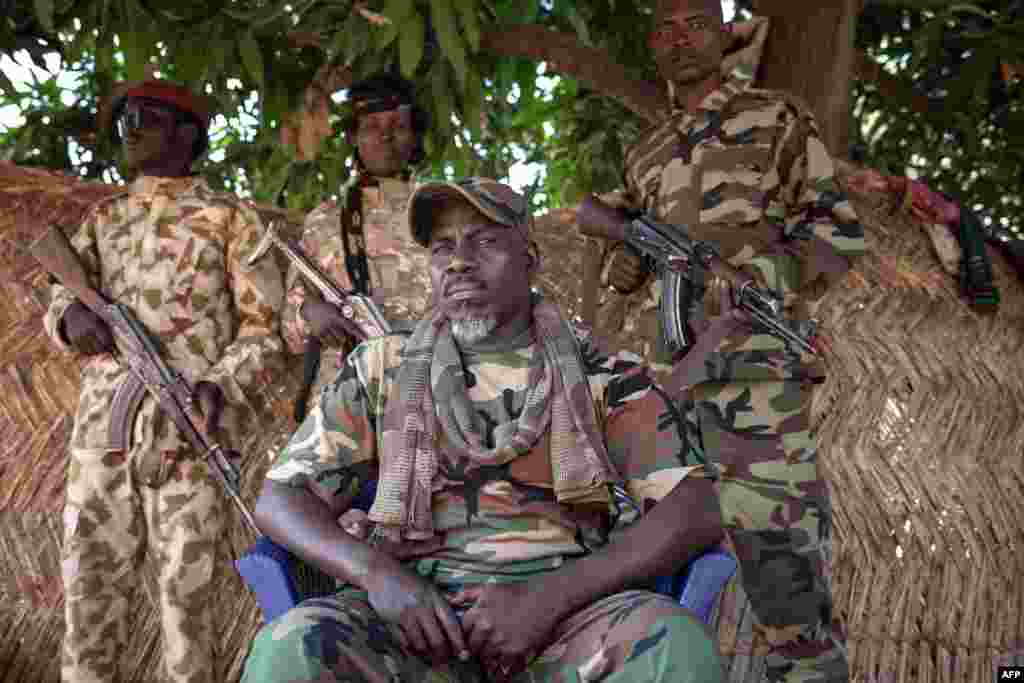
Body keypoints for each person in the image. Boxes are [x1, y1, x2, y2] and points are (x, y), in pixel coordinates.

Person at [240, 178, 735, 683]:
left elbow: (693, 508)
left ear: (530, 258)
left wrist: (550, 597)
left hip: (567, 624)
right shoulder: (382, 369)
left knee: (675, 647)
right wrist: (377, 574)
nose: (459, 261)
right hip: (413, 628)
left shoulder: (600, 370)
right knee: (290, 650)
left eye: (485, 240)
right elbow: (281, 498)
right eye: (442, 247)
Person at [594, 0, 869, 680]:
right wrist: (627, 257)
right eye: (664, 29)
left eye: (696, 24)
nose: (680, 40)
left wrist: (751, 279)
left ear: (725, 34)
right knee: (662, 582)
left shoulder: (776, 120)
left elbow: (836, 239)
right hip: (674, 391)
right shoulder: (647, 152)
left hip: (758, 388)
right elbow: (625, 257)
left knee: (787, 587)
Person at [43, 79, 284, 682]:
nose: (130, 128)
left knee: (186, 608)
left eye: (146, 117)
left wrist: (222, 384)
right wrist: (69, 318)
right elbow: (57, 294)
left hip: (189, 437)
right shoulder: (104, 220)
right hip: (104, 436)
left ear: (186, 133)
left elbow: (266, 328)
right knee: (90, 599)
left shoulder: (230, 220)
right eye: (124, 117)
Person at [282, 73, 433, 422]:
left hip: (426, 400)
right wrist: (309, 313)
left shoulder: (441, 212)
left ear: (415, 137)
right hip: (341, 409)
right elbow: (289, 325)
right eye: (371, 126)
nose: (385, 136)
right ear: (354, 137)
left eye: (398, 125)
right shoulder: (325, 222)